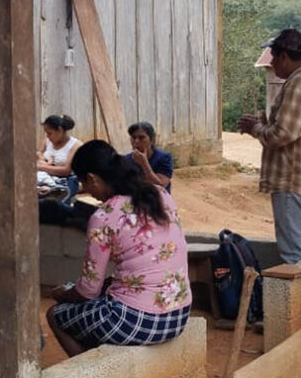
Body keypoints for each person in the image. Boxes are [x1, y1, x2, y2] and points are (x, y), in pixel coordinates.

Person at [47, 140, 192, 357]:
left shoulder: (104, 216)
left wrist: (65, 294)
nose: (87, 191)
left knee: (55, 314)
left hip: (134, 321)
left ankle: (93, 371)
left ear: (92, 178)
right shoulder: (160, 194)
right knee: (102, 299)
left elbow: (88, 290)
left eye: (83, 182)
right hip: (178, 316)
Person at [237, 28, 301, 264]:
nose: (271, 63)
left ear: (285, 57)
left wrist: (255, 129)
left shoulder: (298, 85)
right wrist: (263, 123)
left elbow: (283, 134)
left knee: (295, 257)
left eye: (273, 57)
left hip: (292, 181)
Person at [36, 114, 81, 194]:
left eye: (50, 133)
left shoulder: (75, 145)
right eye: (46, 133)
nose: (47, 136)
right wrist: (41, 161)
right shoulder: (48, 140)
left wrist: (41, 167)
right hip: (44, 176)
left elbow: (66, 170)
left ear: (60, 130)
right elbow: (39, 154)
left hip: (65, 181)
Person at [125, 121, 174, 193]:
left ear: (152, 139)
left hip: (158, 199)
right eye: (133, 138)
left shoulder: (164, 158)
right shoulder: (126, 160)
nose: (136, 141)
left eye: (141, 138)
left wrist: (144, 164)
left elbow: (161, 185)